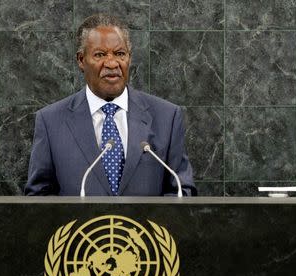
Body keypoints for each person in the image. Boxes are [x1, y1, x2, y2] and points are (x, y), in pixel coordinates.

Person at [24, 14, 196, 196]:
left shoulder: (167, 117)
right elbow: (38, 197)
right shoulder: (51, 121)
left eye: (120, 54)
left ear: (129, 58)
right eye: (100, 54)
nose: (112, 63)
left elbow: (181, 191)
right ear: (81, 60)